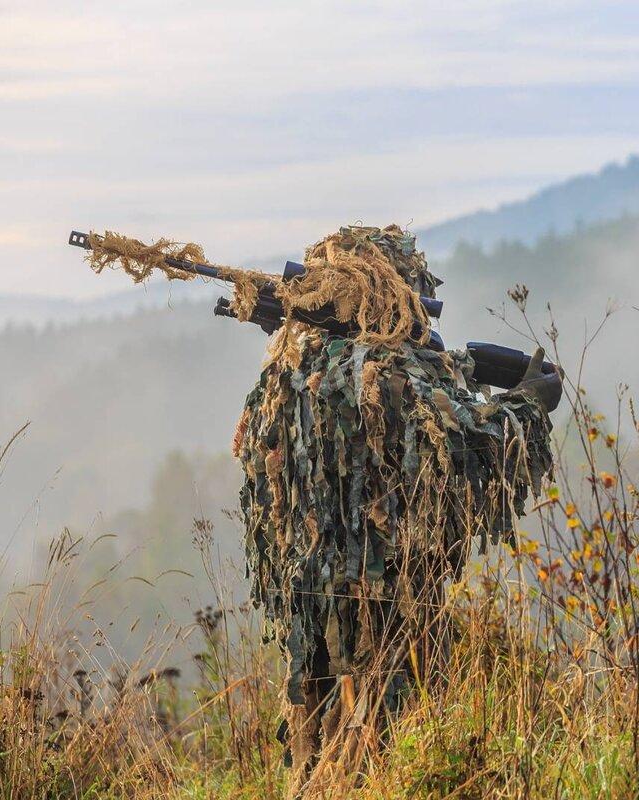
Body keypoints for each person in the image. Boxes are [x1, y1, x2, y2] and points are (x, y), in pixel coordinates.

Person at [231, 224, 557, 783]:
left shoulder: (282, 380)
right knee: (396, 748)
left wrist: (459, 368)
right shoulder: (387, 375)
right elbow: (475, 454)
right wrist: (529, 403)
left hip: (309, 612)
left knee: (324, 751)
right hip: (389, 608)